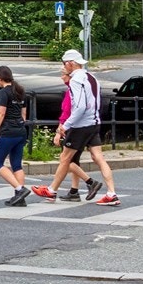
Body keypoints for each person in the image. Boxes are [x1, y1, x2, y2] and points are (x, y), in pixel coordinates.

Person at [33, 50, 119, 205]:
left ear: (70, 63)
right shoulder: (92, 78)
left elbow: (79, 106)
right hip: (94, 122)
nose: (64, 67)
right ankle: (111, 193)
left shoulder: (76, 80)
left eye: (64, 64)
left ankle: (52, 191)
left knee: (65, 158)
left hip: (81, 125)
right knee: (98, 158)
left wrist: (65, 125)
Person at [0, 66, 30, 205]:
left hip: (8, 131)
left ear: (0, 78)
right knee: (16, 164)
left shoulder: (4, 92)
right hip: (20, 131)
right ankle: (20, 200)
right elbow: (24, 115)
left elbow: (1, 113)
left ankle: (20, 190)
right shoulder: (21, 91)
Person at [49, 67, 91, 200]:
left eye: (63, 74)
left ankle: (90, 182)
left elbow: (67, 113)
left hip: (72, 128)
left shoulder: (71, 92)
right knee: (74, 160)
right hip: (80, 127)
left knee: (65, 159)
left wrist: (59, 131)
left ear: (70, 76)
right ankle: (74, 191)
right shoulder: (74, 90)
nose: (61, 77)